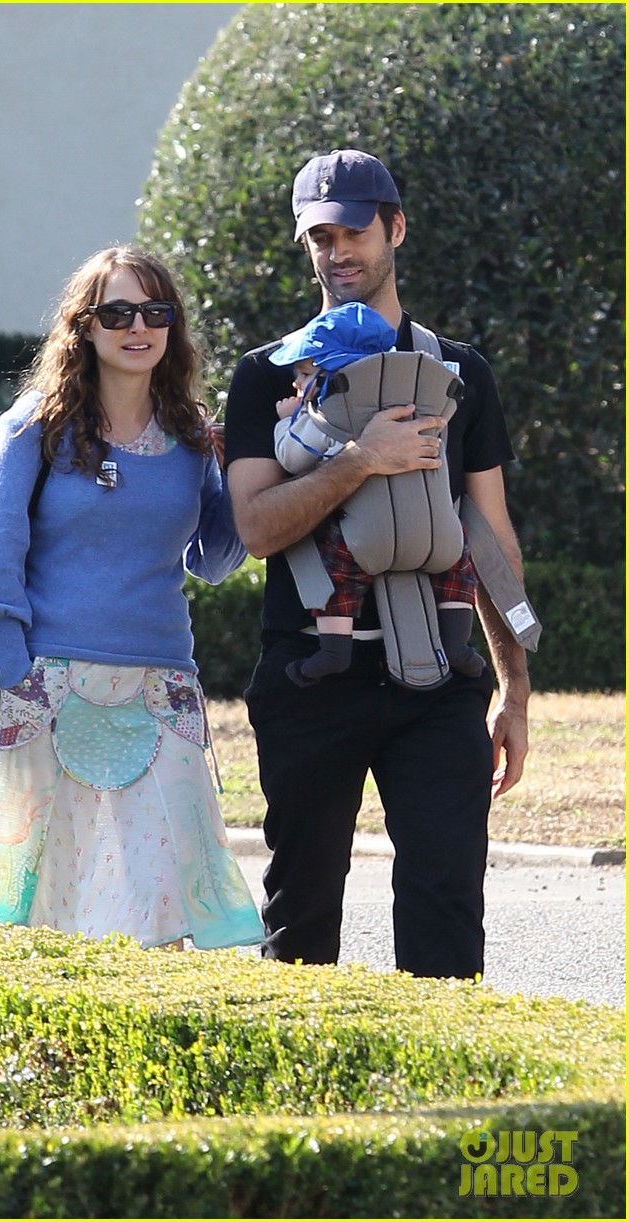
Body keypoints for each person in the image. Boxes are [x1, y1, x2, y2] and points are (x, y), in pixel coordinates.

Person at [224, 149, 531, 978]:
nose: (337, 251)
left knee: (445, 911)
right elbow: (253, 528)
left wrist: (514, 691)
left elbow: (490, 537)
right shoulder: (265, 377)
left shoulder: (463, 371)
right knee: (300, 916)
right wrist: (359, 458)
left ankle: (451, 1106)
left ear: (394, 228)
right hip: (309, 682)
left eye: (353, 230)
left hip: (441, 682)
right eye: (319, 236)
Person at [0, 245, 263, 952]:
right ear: (84, 327)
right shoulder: (37, 424)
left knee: (163, 896)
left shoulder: (190, 434)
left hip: (161, 685)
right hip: (47, 680)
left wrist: (234, 465)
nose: (138, 327)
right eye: (117, 311)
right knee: (33, 897)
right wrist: (16, 672)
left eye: (155, 311)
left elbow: (215, 559)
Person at [270, 300, 485, 687]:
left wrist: (287, 423)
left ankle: (333, 651)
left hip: (362, 540)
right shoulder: (419, 405)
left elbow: (292, 456)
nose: (297, 385)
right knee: (459, 566)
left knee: (336, 579)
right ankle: (457, 645)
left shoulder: (327, 414)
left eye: (304, 374)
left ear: (333, 373)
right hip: (436, 531)